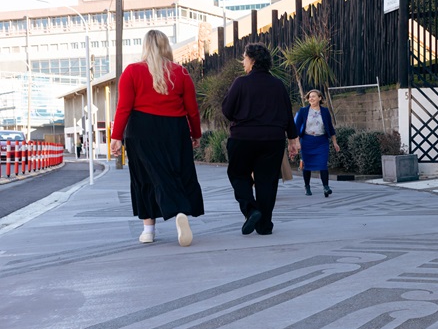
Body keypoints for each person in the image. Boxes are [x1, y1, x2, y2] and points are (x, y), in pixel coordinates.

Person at [110, 29, 204, 246]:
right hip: (175, 128)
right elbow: (192, 110)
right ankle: (180, 211)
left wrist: (116, 137)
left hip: (141, 129)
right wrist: (196, 134)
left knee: (144, 178)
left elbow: (123, 107)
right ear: (166, 46)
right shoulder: (181, 73)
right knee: (176, 172)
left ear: (145, 47)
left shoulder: (132, 71)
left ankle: (148, 230)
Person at [222, 42, 300, 235]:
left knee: (239, 175)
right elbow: (287, 113)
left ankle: (251, 210)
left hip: (243, 138)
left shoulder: (240, 83)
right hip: (272, 140)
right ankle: (264, 225)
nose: (243, 62)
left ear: (253, 61)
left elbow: (227, 111)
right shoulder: (278, 85)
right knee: (267, 181)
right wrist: (292, 139)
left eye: (245, 58)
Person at [294, 89, 340, 197]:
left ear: (320, 98)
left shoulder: (325, 111)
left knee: (323, 164)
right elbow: (296, 129)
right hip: (307, 141)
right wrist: (297, 142)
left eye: (314, 96)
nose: (311, 98)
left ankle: (326, 187)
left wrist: (335, 142)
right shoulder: (303, 111)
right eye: (310, 97)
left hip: (321, 141)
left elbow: (330, 128)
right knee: (307, 165)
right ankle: (307, 186)